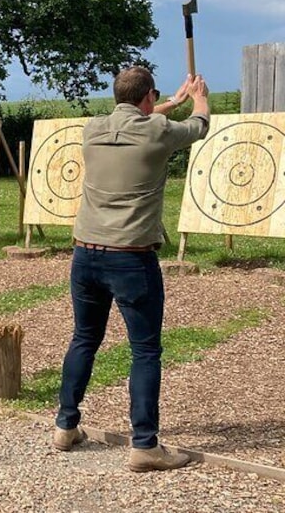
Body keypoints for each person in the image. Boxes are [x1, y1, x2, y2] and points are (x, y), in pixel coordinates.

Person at [53, 67, 210, 472]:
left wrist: (169, 101)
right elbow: (200, 125)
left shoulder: (94, 129)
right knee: (144, 350)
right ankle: (144, 445)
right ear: (146, 99)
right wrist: (198, 96)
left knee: (84, 338)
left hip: (85, 255)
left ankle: (65, 426)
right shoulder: (156, 131)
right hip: (131, 258)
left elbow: (135, 117)